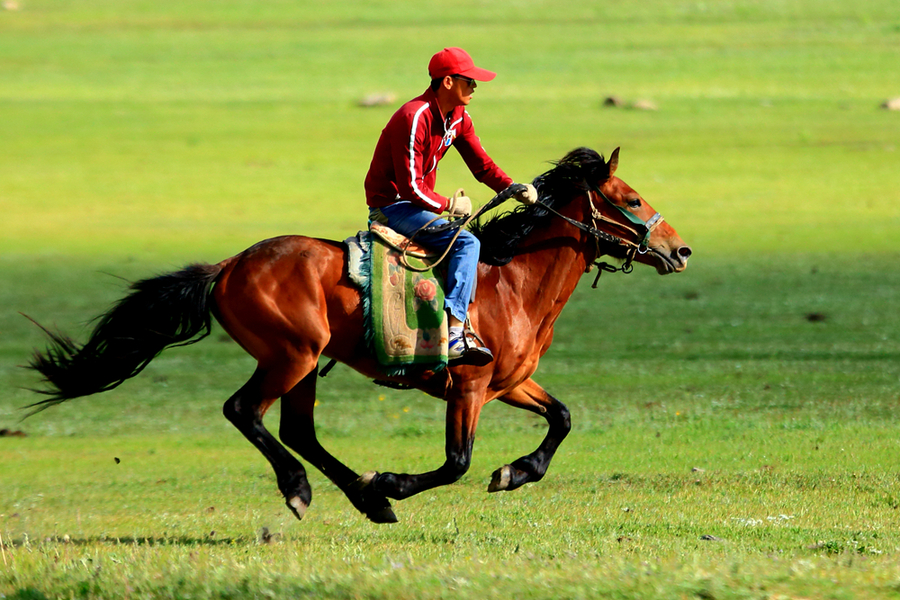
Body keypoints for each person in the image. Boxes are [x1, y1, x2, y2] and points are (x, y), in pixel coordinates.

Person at [365, 47, 537, 367]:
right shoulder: (413, 117)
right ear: (447, 82)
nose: (474, 86)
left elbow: (482, 166)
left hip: (415, 203)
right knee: (467, 241)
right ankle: (456, 332)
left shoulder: (459, 117)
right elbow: (410, 188)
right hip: (392, 207)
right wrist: (448, 205)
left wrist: (511, 188)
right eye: (469, 80)